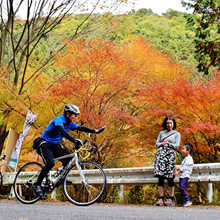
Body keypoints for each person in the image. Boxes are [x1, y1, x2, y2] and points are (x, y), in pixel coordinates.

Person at [34, 104, 105, 197]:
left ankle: (60, 177)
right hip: (44, 144)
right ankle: (37, 184)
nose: (76, 117)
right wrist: (74, 140)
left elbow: (80, 128)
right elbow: (62, 130)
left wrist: (95, 131)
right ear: (68, 113)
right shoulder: (59, 120)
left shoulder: (70, 124)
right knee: (50, 163)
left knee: (70, 156)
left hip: (55, 146)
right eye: (74, 115)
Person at [154, 116, 181, 206]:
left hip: (170, 156)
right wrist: (162, 143)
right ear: (165, 124)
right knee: (160, 178)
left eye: (170, 123)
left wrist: (169, 143)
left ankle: (171, 199)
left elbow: (177, 146)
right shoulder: (161, 133)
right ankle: (161, 198)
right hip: (161, 156)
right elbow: (156, 144)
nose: (169, 125)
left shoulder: (177, 134)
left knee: (170, 177)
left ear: (173, 124)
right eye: (167, 123)